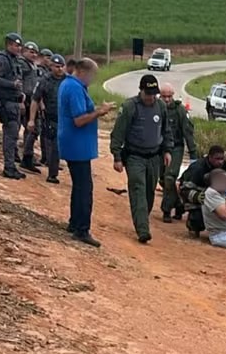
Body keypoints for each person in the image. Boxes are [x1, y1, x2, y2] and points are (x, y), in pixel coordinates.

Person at [109, 75, 175, 243]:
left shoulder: (160, 106)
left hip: (154, 157)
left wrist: (167, 150)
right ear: (141, 91)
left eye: (154, 94)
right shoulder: (130, 107)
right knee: (138, 189)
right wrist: (117, 156)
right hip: (134, 157)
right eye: (148, 93)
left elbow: (166, 130)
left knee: (149, 193)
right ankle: (143, 230)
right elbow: (118, 134)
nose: (151, 97)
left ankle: (141, 218)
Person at [58, 57, 115, 248]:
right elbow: (79, 120)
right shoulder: (73, 88)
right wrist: (100, 112)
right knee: (84, 188)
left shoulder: (71, 85)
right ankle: (82, 229)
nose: (93, 79)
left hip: (76, 144)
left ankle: (75, 223)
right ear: (82, 72)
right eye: (92, 75)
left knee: (79, 186)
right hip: (77, 145)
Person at [180, 145, 226, 238]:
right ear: (209, 157)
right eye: (217, 159)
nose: (220, 162)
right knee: (197, 218)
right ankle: (193, 225)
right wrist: (198, 197)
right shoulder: (197, 168)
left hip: (220, 200)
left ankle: (225, 227)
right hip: (200, 201)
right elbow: (184, 188)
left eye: (222, 159)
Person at [159, 83, 198, 223]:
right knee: (163, 179)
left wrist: (193, 152)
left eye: (169, 96)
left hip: (176, 148)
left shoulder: (179, 110)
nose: (167, 99)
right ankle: (179, 204)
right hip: (159, 149)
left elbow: (188, 131)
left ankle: (166, 210)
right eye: (164, 96)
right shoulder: (156, 107)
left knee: (170, 177)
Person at [0, 32, 27, 180]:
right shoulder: (2, 59)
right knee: (10, 136)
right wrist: (12, 85)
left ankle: (11, 165)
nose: (18, 48)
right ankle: (9, 167)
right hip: (6, 103)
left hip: (15, 102)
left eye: (20, 46)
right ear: (9, 45)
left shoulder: (15, 60)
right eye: (16, 45)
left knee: (13, 136)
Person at [28, 53, 66, 184]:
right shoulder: (45, 80)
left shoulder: (68, 81)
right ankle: (52, 174)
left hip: (65, 119)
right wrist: (31, 119)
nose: (60, 69)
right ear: (51, 67)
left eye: (62, 66)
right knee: (53, 146)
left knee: (60, 147)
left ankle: (53, 168)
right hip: (50, 119)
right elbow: (35, 100)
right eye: (57, 66)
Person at [19, 41, 44, 174]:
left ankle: (28, 155)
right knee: (32, 128)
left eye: (35, 52)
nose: (33, 54)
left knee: (33, 129)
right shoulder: (22, 64)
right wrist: (20, 100)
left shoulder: (33, 65)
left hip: (33, 100)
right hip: (26, 100)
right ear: (24, 51)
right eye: (31, 51)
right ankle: (26, 158)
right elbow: (19, 82)